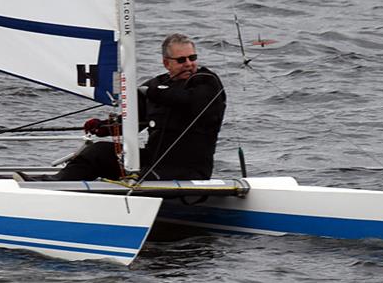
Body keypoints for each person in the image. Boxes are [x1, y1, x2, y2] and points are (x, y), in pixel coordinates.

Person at [16, 33, 226, 181]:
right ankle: (54, 184)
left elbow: (183, 100)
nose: (189, 64)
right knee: (97, 153)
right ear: (166, 63)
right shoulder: (157, 85)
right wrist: (104, 127)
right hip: (152, 161)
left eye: (193, 58)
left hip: (188, 170)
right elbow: (132, 123)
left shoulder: (207, 82)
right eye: (181, 60)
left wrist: (144, 90)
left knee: (141, 178)